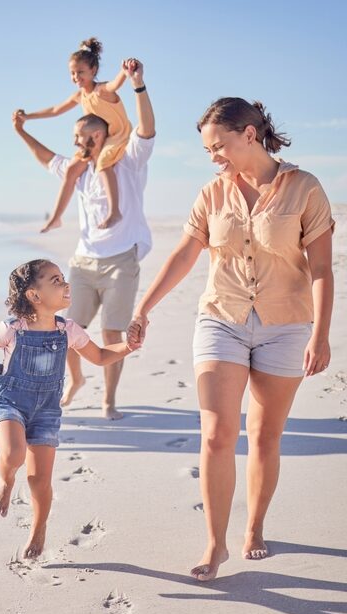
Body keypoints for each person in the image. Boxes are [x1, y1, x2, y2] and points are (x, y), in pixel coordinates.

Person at [127, 97, 334, 581]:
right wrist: (143, 307)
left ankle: (255, 528)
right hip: (221, 317)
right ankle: (215, 543)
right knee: (218, 434)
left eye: (218, 145)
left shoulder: (304, 187)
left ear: (248, 133)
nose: (213, 156)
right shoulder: (212, 193)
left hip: (287, 324)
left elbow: (321, 268)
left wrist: (321, 336)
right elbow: (185, 253)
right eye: (207, 150)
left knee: (264, 436)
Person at [0, 259, 138, 558]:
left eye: (64, 278)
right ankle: (5, 479)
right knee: (14, 454)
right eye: (55, 281)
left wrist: (129, 346)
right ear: (34, 296)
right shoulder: (12, 328)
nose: (66, 284)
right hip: (8, 400)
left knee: (40, 480)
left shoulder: (68, 330)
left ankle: (38, 529)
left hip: (46, 411)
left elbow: (102, 355)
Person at [13, 58, 155, 418]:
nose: (74, 143)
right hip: (83, 263)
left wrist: (138, 85)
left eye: (78, 137)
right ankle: (75, 381)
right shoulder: (78, 169)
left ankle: (109, 401)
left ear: (97, 135)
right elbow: (45, 158)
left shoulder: (128, 161)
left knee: (112, 335)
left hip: (122, 261)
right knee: (65, 330)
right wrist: (22, 131)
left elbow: (146, 129)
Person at [17, 38, 132, 230]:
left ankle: (114, 212)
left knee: (103, 163)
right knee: (71, 170)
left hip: (116, 136)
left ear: (93, 71)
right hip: (94, 140)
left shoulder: (101, 90)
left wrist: (125, 71)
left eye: (80, 72)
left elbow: (115, 85)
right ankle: (56, 218)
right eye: (72, 73)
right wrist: (27, 117)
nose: (76, 77)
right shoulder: (80, 96)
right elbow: (55, 110)